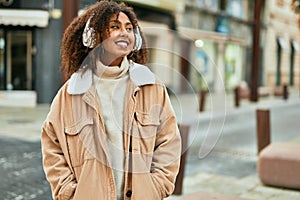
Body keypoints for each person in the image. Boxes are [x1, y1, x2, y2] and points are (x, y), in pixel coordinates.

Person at [41, 0, 181, 199]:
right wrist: (68, 191)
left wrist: (157, 185)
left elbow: (169, 141)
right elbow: (51, 144)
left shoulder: (151, 87)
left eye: (129, 28)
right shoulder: (71, 93)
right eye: (115, 27)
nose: (124, 32)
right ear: (93, 36)